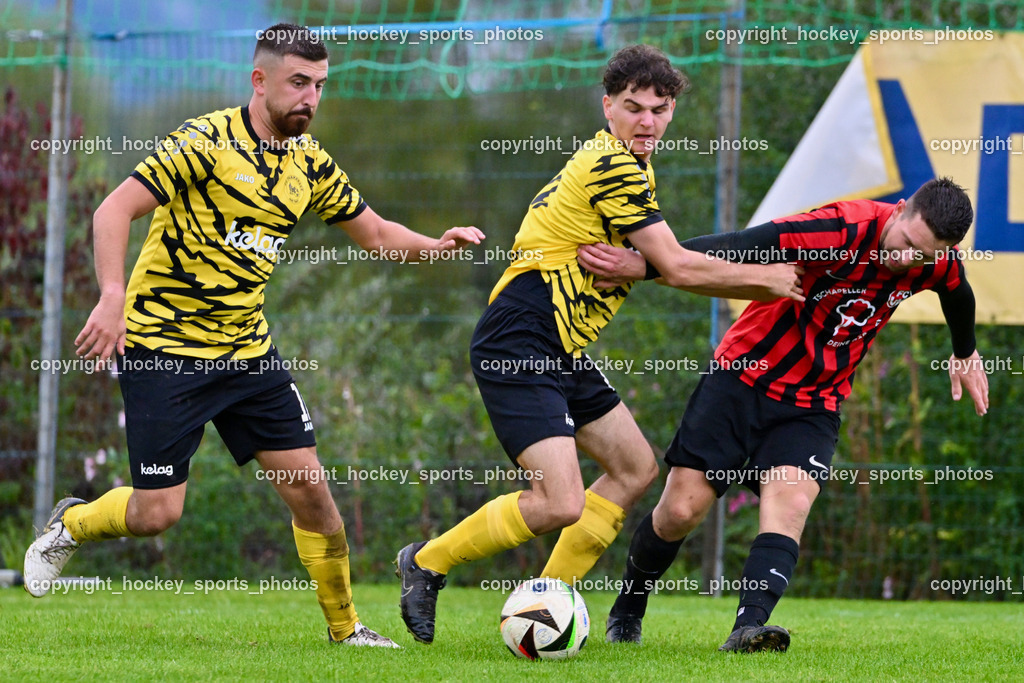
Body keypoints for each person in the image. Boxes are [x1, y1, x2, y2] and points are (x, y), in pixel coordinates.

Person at [23, 23, 483, 648]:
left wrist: (435, 247)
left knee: (314, 497)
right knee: (158, 513)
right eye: (298, 83)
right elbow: (113, 209)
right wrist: (112, 297)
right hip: (165, 351)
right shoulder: (204, 141)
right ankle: (72, 524)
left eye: (320, 86)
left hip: (247, 356)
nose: (310, 99)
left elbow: (375, 233)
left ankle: (346, 631)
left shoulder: (309, 163)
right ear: (259, 80)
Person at [395, 44, 805, 645]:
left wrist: (643, 264)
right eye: (633, 107)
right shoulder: (611, 164)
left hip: (558, 345)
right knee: (560, 501)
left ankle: (545, 600)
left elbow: (660, 265)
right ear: (606, 105)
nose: (647, 121)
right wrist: (767, 280)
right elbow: (679, 268)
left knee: (635, 467)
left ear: (671, 113)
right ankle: (426, 562)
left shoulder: (630, 166)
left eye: (660, 110)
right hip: (522, 336)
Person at [579, 177, 989, 652]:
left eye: (922, 255)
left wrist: (966, 352)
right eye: (906, 245)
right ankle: (628, 606)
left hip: (815, 401)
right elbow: (738, 247)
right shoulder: (837, 229)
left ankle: (748, 628)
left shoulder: (932, 260)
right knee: (679, 511)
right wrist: (644, 264)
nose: (906, 259)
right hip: (741, 379)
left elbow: (959, 295)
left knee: (790, 504)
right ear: (898, 212)